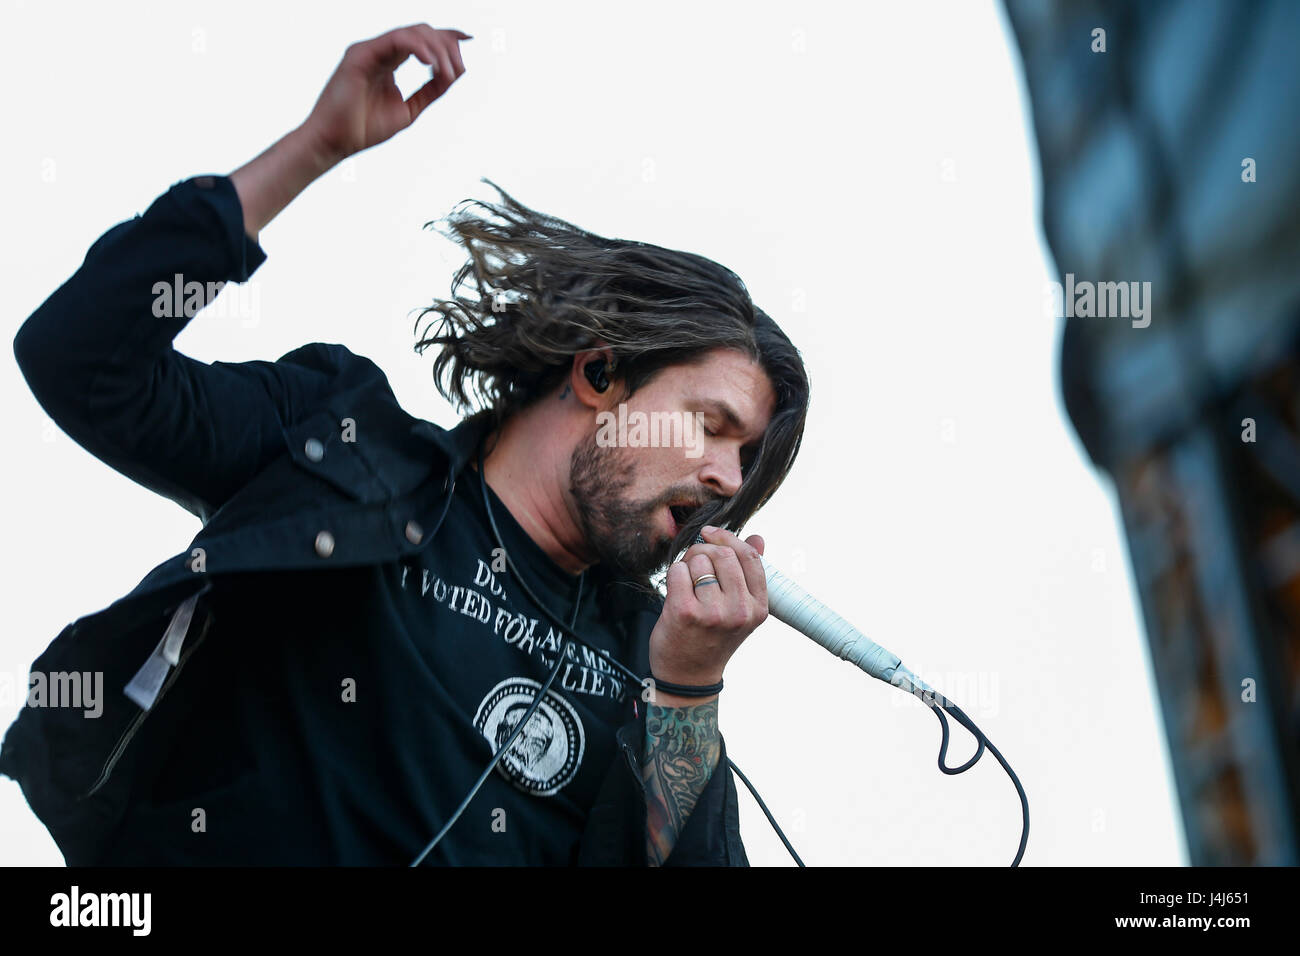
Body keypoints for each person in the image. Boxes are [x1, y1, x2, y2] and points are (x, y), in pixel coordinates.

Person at [1, 23, 810, 866]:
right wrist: (312, 150)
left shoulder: (651, 661)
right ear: (600, 375)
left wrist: (686, 691)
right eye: (710, 425)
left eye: (745, 460)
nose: (724, 475)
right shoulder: (343, 444)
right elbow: (80, 357)